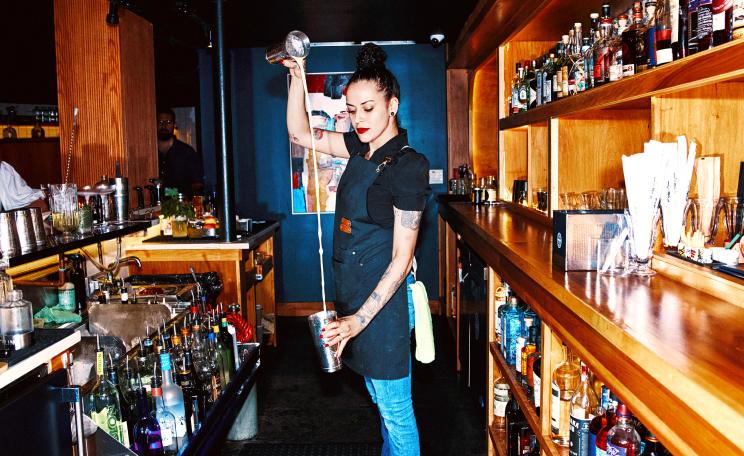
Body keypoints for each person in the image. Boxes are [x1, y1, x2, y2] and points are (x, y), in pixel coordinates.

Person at [284, 43, 431, 456]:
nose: (359, 119)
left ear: (393, 105)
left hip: (381, 311)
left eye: (368, 108)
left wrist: (356, 322)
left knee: (397, 414)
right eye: (351, 109)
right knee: (383, 410)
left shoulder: (408, 167)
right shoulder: (357, 149)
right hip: (353, 295)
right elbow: (299, 133)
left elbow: (402, 261)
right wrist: (297, 77)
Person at [156, 107, 204, 198]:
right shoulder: (148, 153)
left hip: (180, 206)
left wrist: (174, 193)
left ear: (175, 125)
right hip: (152, 207)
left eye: (168, 122)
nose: (164, 126)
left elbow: (199, 183)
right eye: (160, 122)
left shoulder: (187, 152)